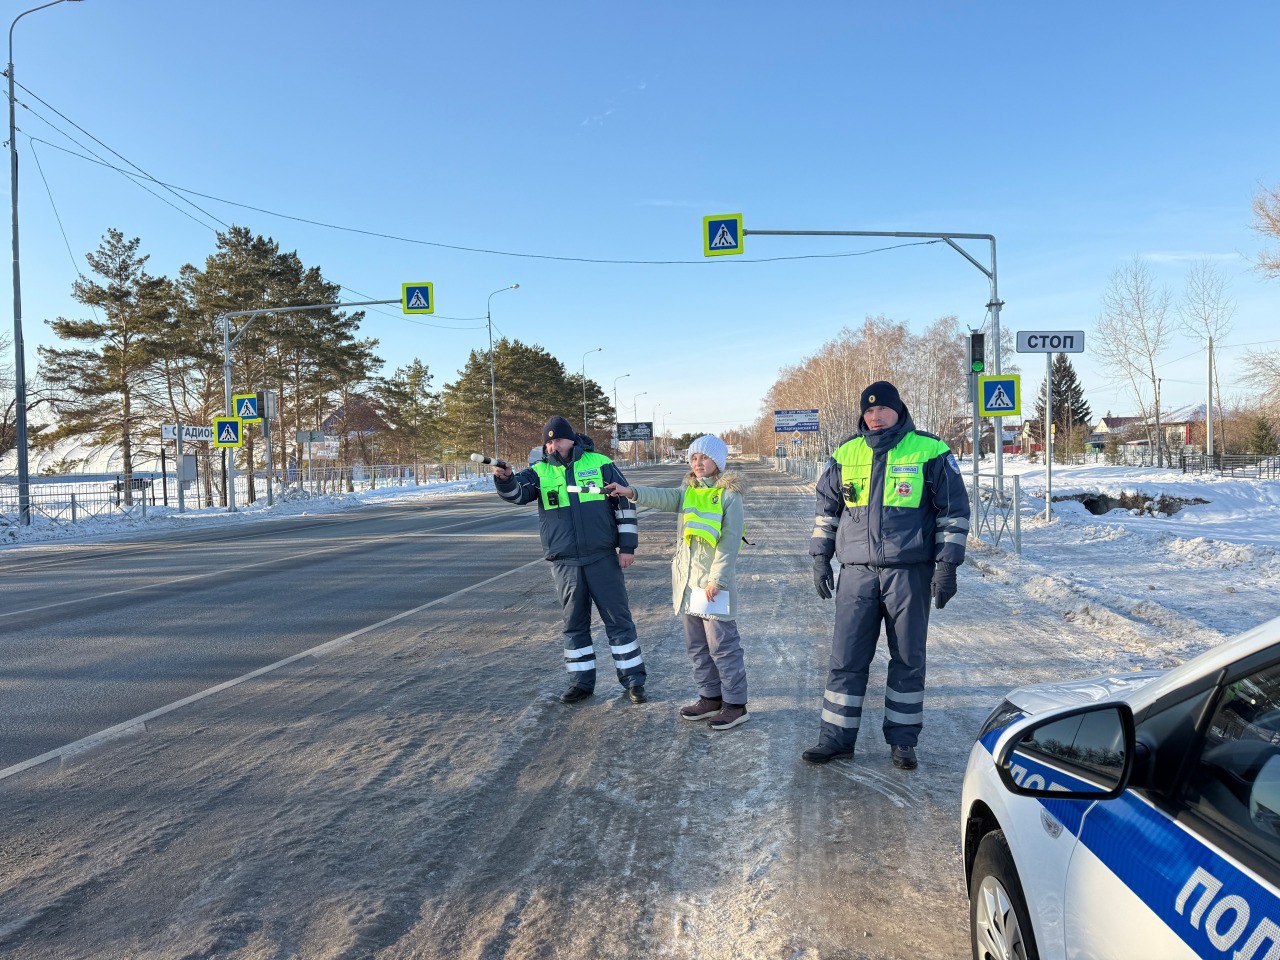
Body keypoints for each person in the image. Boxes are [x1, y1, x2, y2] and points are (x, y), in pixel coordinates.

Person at [805, 381, 970, 769]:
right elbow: (826, 513)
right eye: (868, 410)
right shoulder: (845, 453)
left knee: (908, 658)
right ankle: (835, 739)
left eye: (882, 409)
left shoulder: (930, 450)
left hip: (908, 574)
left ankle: (903, 741)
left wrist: (947, 566)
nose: (875, 416)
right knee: (845, 658)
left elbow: (953, 513)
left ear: (899, 410)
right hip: (856, 574)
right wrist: (820, 557)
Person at [492, 415, 647, 704]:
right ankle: (581, 683)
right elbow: (517, 494)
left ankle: (634, 681)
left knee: (618, 620)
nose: (553, 446)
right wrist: (505, 479)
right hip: (565, 561)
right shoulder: (539, 471)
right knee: (574, 625)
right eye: (548, 442)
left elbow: (624, 504)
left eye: (558, 439)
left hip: (601, 557)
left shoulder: (600, 463)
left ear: (572, 439)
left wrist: (627, 547)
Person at [606, 435, 750, 731]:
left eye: (704, 458)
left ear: (717, 462)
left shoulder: (729, 496)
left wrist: (718, 579)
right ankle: (710, 697)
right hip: (688, 584)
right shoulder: (688, 491)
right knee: (697, 646)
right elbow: (663, 497)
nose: (698, 463)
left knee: (722, 647)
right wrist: (629, 491)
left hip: (713, 586)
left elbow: (730, 542)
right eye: (694, 458)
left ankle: (736, 705)